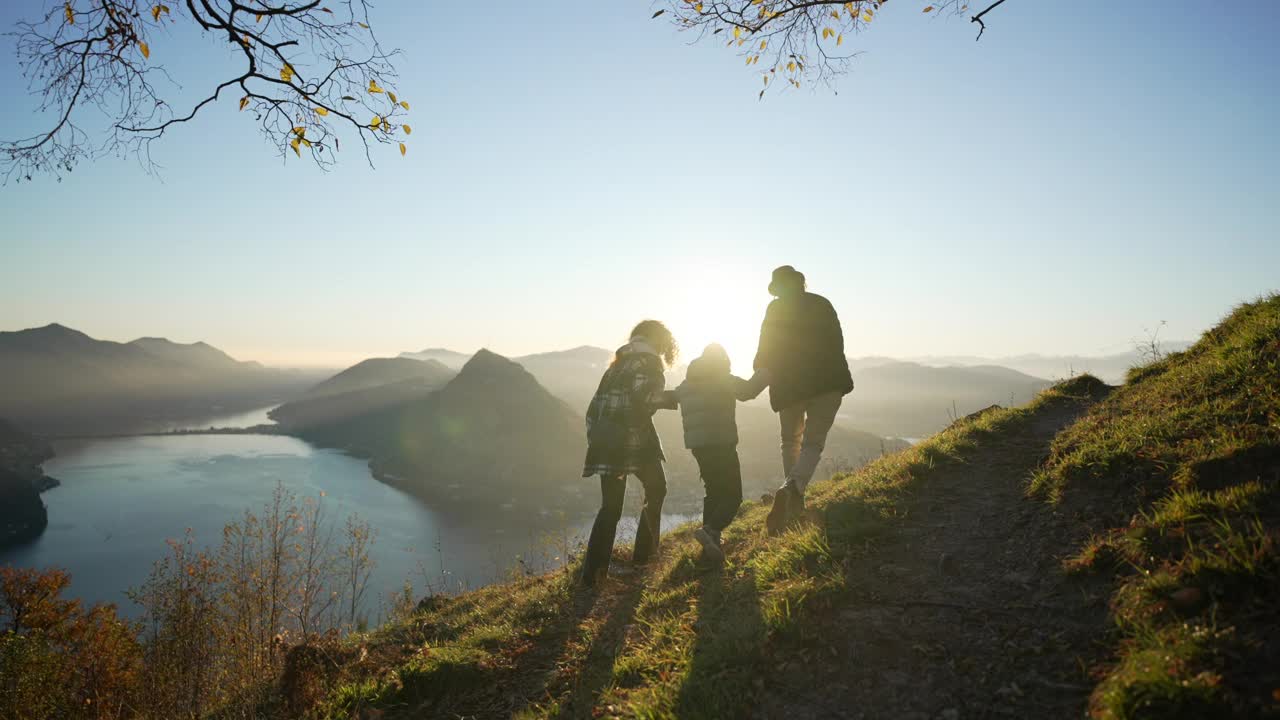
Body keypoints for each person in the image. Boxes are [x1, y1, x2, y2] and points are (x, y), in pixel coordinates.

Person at [753, 265, 854, 535]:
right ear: (800, 283)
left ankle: (794, 500)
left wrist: (759, 370)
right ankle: (793, 489)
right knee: (813, 443)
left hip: (789, 387)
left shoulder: (775, 310)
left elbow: (766, 346)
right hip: (828, 383)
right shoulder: (822, 304)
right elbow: (837, 342)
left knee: (790, 441)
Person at [579, 320, 678, 587]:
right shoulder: (649, 361)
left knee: (610, 508)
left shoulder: (616, 365)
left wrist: (598, 439)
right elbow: (644, 398)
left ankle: (592, 576)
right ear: (661, 341)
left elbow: (592, 410)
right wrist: (675, 397)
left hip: (605, 442)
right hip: (635, 442)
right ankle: (643, 561)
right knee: (657, 490)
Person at [657, 344, 768, 563]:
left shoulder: (687, 384)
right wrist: (768, 370)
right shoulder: (723, 378)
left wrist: (642, 397)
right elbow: (749, 391)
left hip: (699, 447)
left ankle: (710, 545)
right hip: (722, 443)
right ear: (723, 361)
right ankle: (711, 530)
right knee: (733, 496)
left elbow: (668, 398)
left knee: (714, 491)